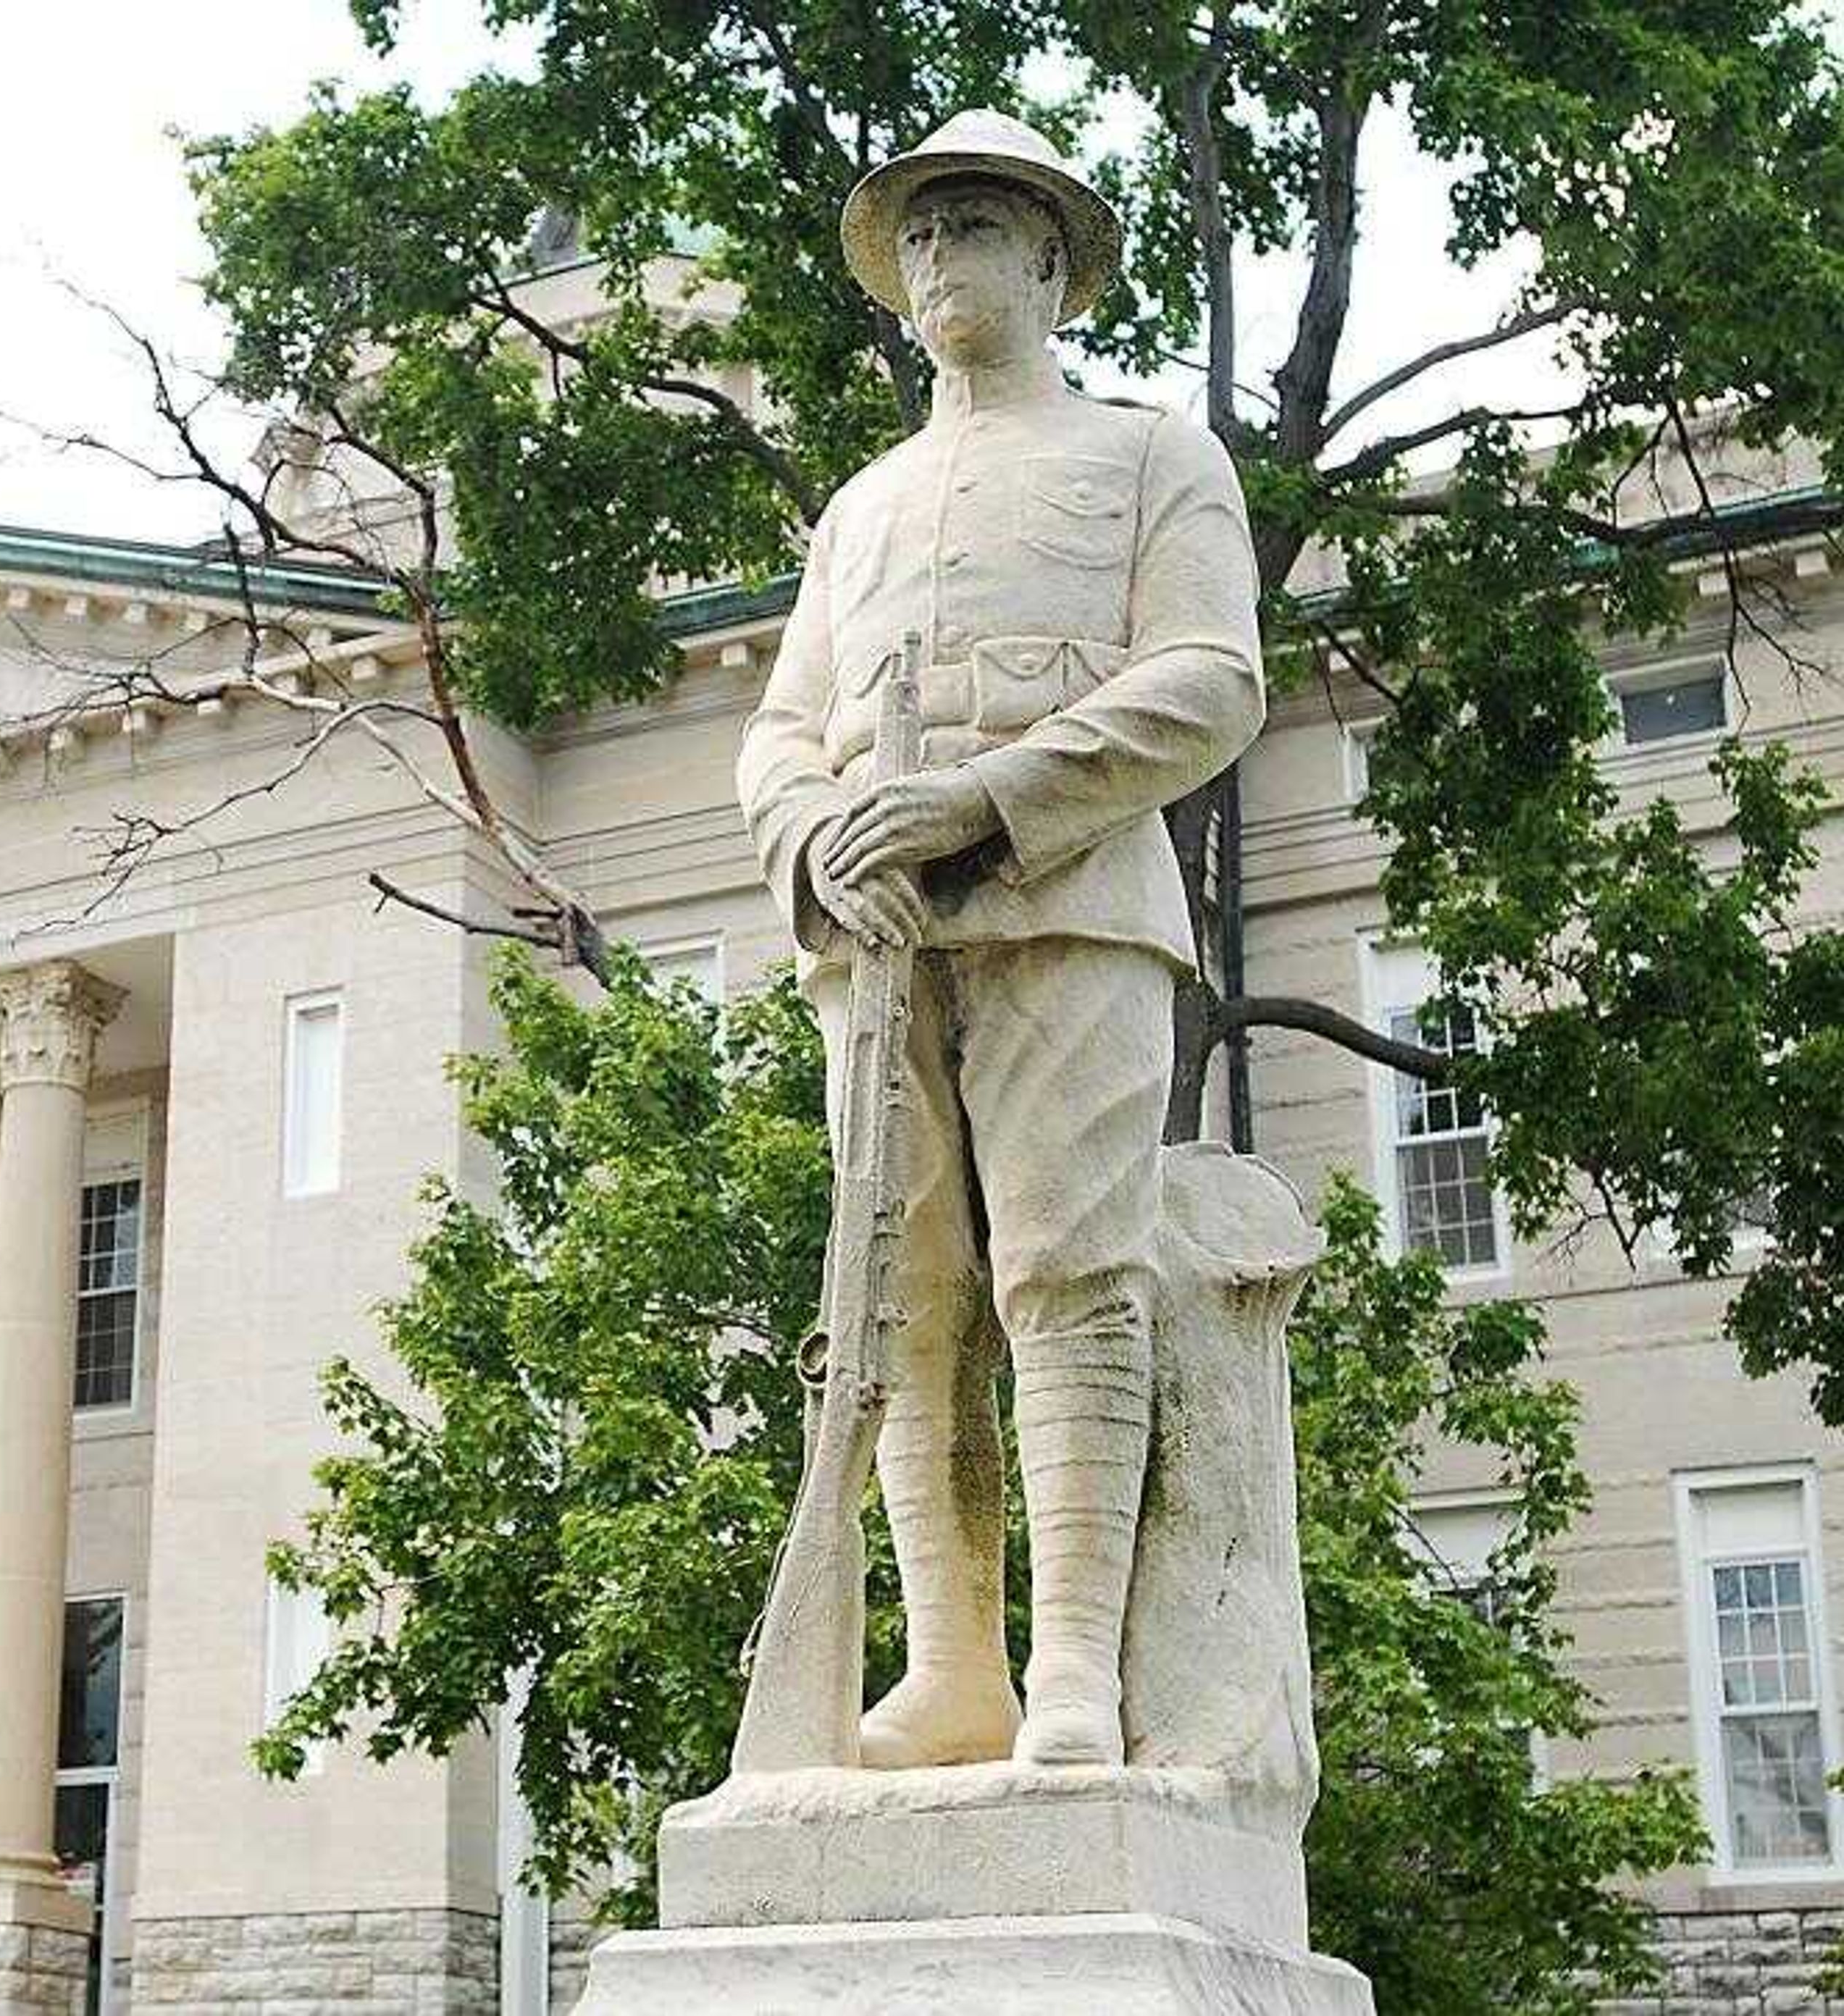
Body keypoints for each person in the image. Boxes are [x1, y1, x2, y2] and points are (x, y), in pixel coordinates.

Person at [736, 107, 1265, 1768]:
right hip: (876, 946)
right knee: (905, 1298)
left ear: (1052, 263)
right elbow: (778, 728)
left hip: (1073, 906)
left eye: (982, 225)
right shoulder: (860, 508)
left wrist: (984, 800)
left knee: (1066, 1270)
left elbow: (1209, 679)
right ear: (897, 287)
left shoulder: (1149, 454)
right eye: (924, 234)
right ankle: (956, 1666)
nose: (948, 255)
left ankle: (1084, 1668)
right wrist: (817, 839)